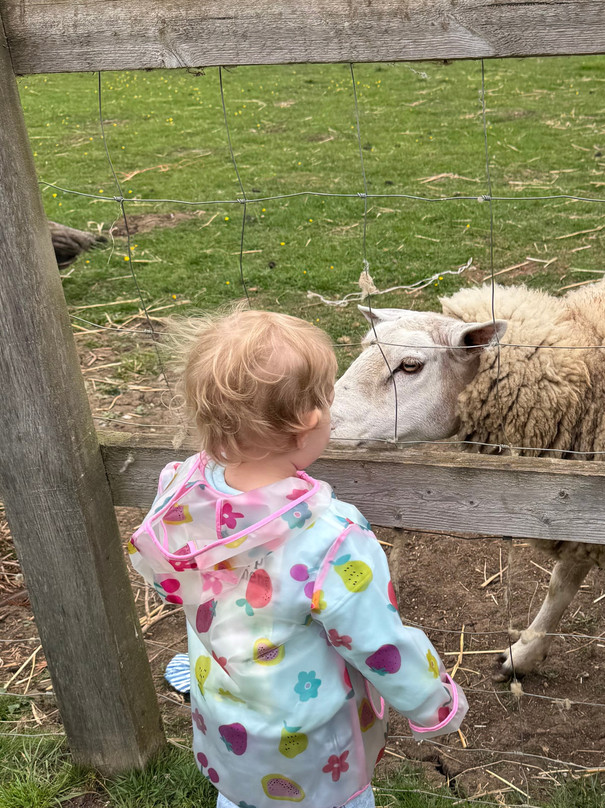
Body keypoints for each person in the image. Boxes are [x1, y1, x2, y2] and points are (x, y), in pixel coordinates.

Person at [128, 307, 467, 808]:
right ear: (310, 422)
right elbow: (378, 641)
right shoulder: (329, 536)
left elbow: (169, 580)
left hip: (227, 730)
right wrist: (432, 703)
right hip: (313, 758)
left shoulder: (181, 491)